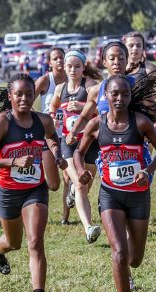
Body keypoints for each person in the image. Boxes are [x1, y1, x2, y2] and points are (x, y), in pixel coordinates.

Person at [74, 75, 156, 292]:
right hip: (110, 194)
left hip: (138, 195)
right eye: (114, 94)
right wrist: (81, 171)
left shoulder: (141, 122)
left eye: (124, 94)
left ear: (130, 96)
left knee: (134, 259)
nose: (119, 99)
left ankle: (126, 258)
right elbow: (78, 152)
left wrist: (147, 171)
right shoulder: (96, 124)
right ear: (105, 95)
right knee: (119, 252)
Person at [0, 73, 67, 292]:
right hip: (8, 192)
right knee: (13, 242)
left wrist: (57, 154)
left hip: (35, 189)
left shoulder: (44, 121)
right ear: (10, 97)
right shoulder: (3, 123)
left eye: (29, 94)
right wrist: (12, 161)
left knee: (35, 241)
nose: (25, 98)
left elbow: (53, 137)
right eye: (19, 94)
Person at [49, 50, 103, 243]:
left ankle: (73, 192)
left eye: (77, 66)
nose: (72, 70)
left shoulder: (90, 87)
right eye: (69, 66)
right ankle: (89, 228)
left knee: (85, 184)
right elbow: (53, 107)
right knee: (80, 182)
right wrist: (54, 118)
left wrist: (82, 108)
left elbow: (103, 109)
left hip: (90, 141)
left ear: (83, 67)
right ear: (64, 66)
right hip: (69, 142)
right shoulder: (59, 89)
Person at [34, 48, 70, 224]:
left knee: (69, 177)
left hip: (69, 136)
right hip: (48, 137)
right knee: (54, 185)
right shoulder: (44, 81)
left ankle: (66, 218)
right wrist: (42, 120)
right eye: (55, 58)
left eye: (62, 57)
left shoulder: (73, 80)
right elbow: (24, 102)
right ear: (50, 62)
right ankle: (33, 193)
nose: (59, 61)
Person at [123, 31, 156, 104]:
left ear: (143, 48)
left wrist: (146, 93)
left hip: (145, 113)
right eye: (131, 45)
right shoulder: (118, 68)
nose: (135, 48)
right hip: (124, 114)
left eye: (138, 45)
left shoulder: (149, 68)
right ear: (124, 47)